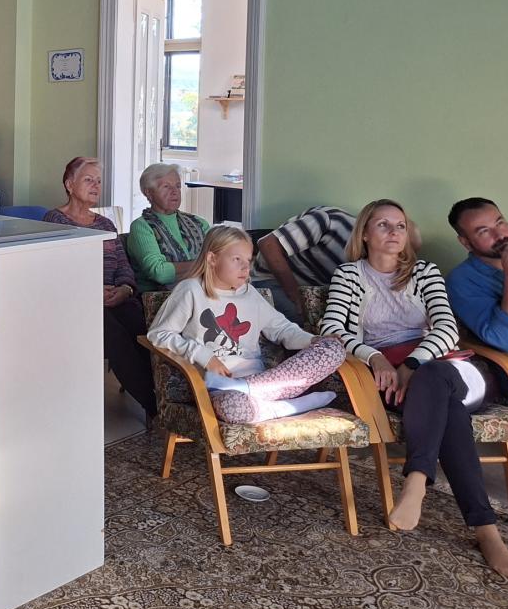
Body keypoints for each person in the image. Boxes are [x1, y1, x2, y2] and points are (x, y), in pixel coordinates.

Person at [320, 199, 508, 578]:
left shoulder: (425, 271)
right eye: (383, 225)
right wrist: (376, 358)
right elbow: (332, 329)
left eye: (400, 225)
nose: (394, 232)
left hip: (454, 370)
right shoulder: (349, 275)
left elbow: (446, 328)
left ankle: (416, 481)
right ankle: (487, 531)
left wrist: (412, 364)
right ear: (365, 234)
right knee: (450, 413)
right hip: (392, 380)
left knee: (434, 377)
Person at [148, 226, 345, 423]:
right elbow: (158, 333)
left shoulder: (250, 293)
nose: (245, 267)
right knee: (233, 406)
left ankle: (262, 396)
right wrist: (204, 356)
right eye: (237, 259)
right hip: (219, 387)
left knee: (334, 348)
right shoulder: (191, 289)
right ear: (212, 259)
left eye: (248, 260)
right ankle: (291, 405)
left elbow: (283, 329)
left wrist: (314, 340)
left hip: (263, 380)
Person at [44, 157, 154, 420]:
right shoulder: (54, 220)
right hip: (75, 304)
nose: (95, 186)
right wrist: (89, 291)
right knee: (113, 333)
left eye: (99, 181)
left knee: (147, 327)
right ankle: (155, 407)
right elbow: (54, 271)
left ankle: (170, 395)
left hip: (115, 296)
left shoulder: (105, 224)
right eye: (88, 180)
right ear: (70, 185)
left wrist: (125, 289)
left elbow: (124, 265)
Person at [446, 198, 508, 368]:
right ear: (466, 242)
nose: (500, 235)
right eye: (484, 231)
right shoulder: (461, 282)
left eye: (500, 223)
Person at [250, 206, 355, 323]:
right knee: (298, 322)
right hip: (272, 279)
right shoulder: (332, 221)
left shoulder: (367, 263)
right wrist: (295, 295)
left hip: (315, 293)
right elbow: (268, 244)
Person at [126, 163, 211, 294]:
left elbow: (220, 257)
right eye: (166, 187)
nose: (174, 191)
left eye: (178, 186)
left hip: (202, 291)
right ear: (148, 192)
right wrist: (204, 264)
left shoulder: (199, 223)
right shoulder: (141, 227)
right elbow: (159, 272)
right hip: (161, 298)